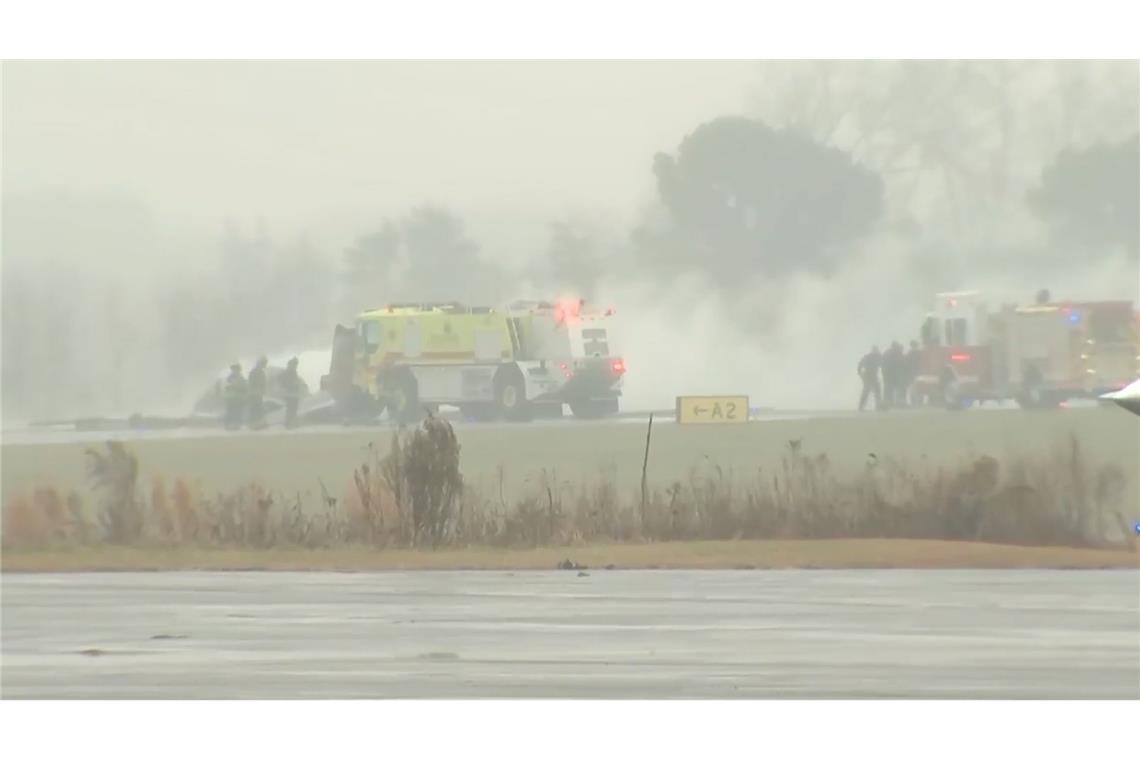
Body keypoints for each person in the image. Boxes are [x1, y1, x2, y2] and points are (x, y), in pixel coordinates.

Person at [857, 346, 883, 412]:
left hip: (869, 376)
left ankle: (861, 406)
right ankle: (877, 406)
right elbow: (881, 364)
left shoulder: (868, 356)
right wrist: (860, 373)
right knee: (874, 391)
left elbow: (860, 364)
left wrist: (860, 373)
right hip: (870, 376)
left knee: (868, 391)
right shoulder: (876, 357)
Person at [223, 363, 247, 431]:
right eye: (234, 369)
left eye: (237, 369)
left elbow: (244, 388)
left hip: (238, 398)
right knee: (230, 412)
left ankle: (237, 425)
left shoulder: (241, 378)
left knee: (238, 412)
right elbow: (227, 387)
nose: (236, 370)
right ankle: (228, 425)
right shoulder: (229, 378)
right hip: (231, 398)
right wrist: (235, 387)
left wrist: (240, 389)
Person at [280, 357, 303, 429]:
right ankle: (288, 423)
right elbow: (282, 381)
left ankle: (291, 423)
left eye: (296, 364)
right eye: (295, 364)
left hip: (293, 394)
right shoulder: (288, 372)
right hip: (290, 394)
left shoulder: (293, 372)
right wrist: (290, 385)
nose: (296, 366)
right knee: (291, 409)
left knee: (293, 409)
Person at [247, 356, 268, 429]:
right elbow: (252, 382)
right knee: (254, 408)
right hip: (254, 393)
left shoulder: (261, 372)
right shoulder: (255, 372)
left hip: (258, 393)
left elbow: (263, 383)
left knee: (258, 408)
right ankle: (253, 424)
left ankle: (258, 423)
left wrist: (262, 389)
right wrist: (259, 386)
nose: (265, 365)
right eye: (264, 363)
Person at [882, 341, 906, 409]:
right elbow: (903, 363)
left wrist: (884, 373)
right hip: (895, 375)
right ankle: (898, 402)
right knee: (898, 388)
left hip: (889, 375)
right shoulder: (898, 353)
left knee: (889, 389)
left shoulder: (886, 353)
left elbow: (883, 364)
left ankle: (889, 403)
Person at [905, 340, 923, 406]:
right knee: (919, 388)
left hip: (912, 374)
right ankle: (919, 401)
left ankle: (914, 402)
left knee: (913, 388)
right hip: (919, 373)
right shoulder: (920, 353)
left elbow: (906, 364)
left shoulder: (909, 354)